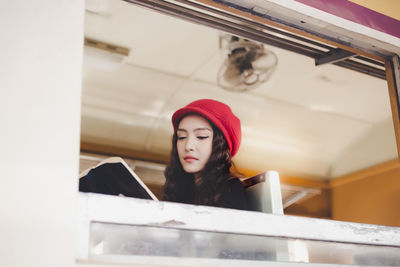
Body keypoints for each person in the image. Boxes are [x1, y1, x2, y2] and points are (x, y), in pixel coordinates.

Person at [163, 99, 249, 211]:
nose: (188, 146)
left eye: (201, 136)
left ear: (220, 145)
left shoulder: (230, 189)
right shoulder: (183, 187)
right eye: (182, 137)